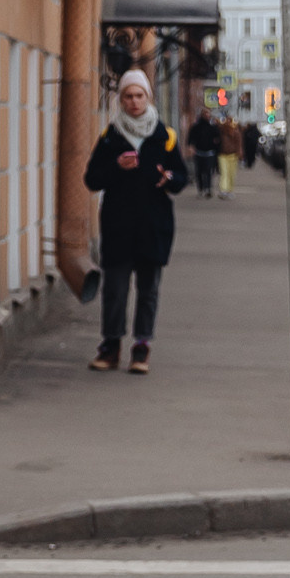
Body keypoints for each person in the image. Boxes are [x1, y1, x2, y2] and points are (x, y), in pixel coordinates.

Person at [83, 66, 188, 376]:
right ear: (121, 100)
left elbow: (181, 176)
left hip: (153, 226)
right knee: (114, 289)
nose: (133, 101)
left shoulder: (164, 135)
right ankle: (110, 346)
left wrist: (169, 177)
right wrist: (116, 165)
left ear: (148, 97)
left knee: (149, 289)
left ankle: (142, 347)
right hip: (117, 225)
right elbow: (92, 179)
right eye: (127, 96)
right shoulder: (111, 136)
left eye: (139, 95)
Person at [189, 105, 219, 199]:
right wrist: (191, 147)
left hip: (210, 152)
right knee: (199, 172)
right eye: (205, 113)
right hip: (199, 152)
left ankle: (208, 189)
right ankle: (201, 189)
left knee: (209, 172)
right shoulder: (196, 127)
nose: (207, 115)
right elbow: (191, 138)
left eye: (208, 114)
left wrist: (215, 145)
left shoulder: (212, 127)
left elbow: (217, 138)